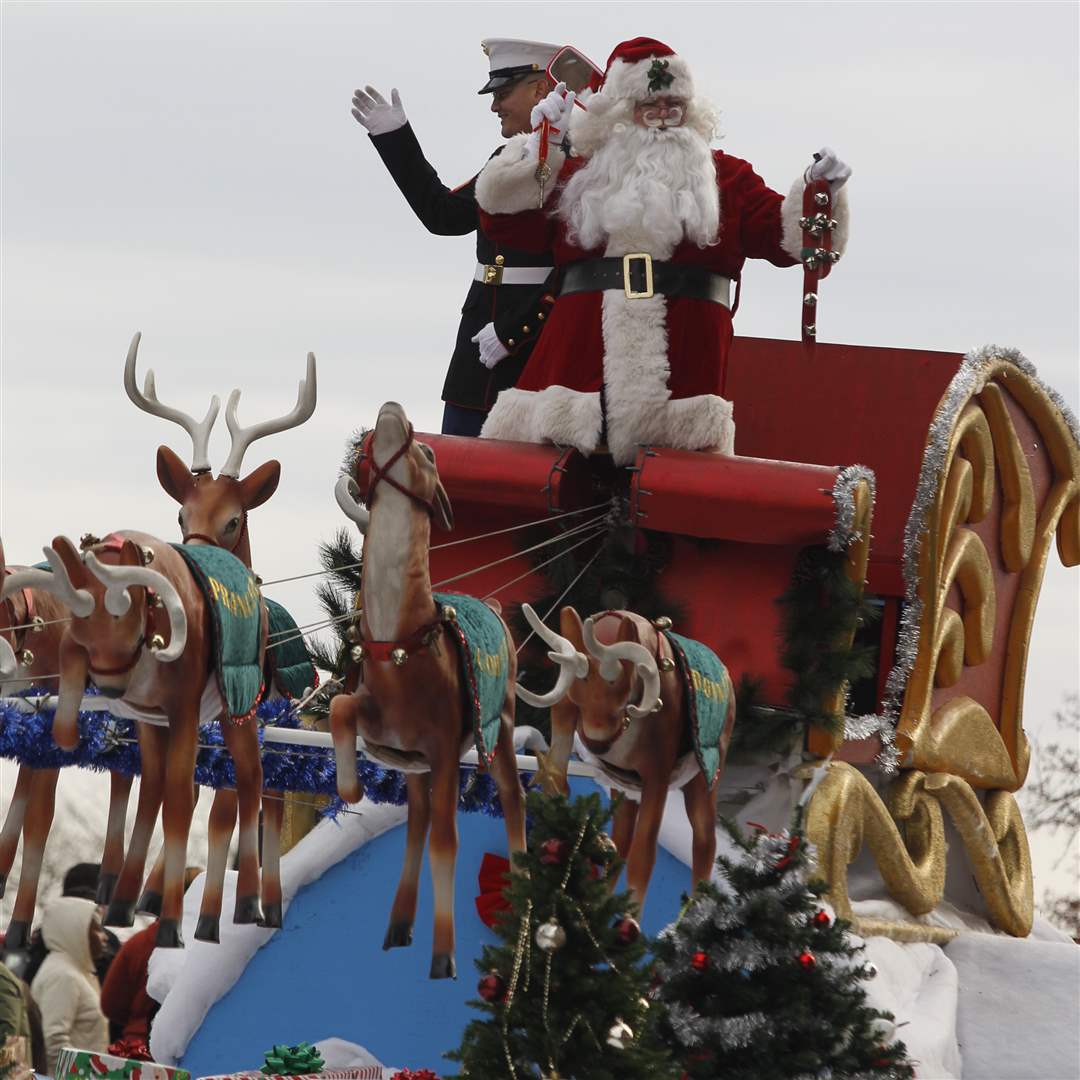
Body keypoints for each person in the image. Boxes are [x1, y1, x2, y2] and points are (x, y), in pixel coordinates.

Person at [474, 37, 852, 465]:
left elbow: (787, 242)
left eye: (674, 106)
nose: (662, 118)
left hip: (684, 390)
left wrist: (819, 191)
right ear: (617, 113)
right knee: (546, 511)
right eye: (647, 107)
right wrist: (540, 152)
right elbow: (502, 223)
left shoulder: (727, 178)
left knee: (678, 517)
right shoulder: (580, 174)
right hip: (572, 388)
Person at [351, 39, 567, 436]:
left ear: (540, 91)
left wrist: (513, 332)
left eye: (503, 94)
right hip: (477, 353)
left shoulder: (575, 164)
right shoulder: (504, 158)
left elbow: (575, 269)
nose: (494, 106)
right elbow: (444, 216)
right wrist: (396, 138)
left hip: (536, 349)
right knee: (456, 477)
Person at [99, 866, 202, 1061]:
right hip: (185, 1051)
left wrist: (135, 1022)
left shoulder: (140, 942)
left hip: (134, 1049)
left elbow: (110, 1003)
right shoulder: (209, 947)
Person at [30, 897, 108, 1076]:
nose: (104, 937)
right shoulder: (63, 975)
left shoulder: (77, 972)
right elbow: (54, 1041)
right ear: (75, 931)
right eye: (96, 929)